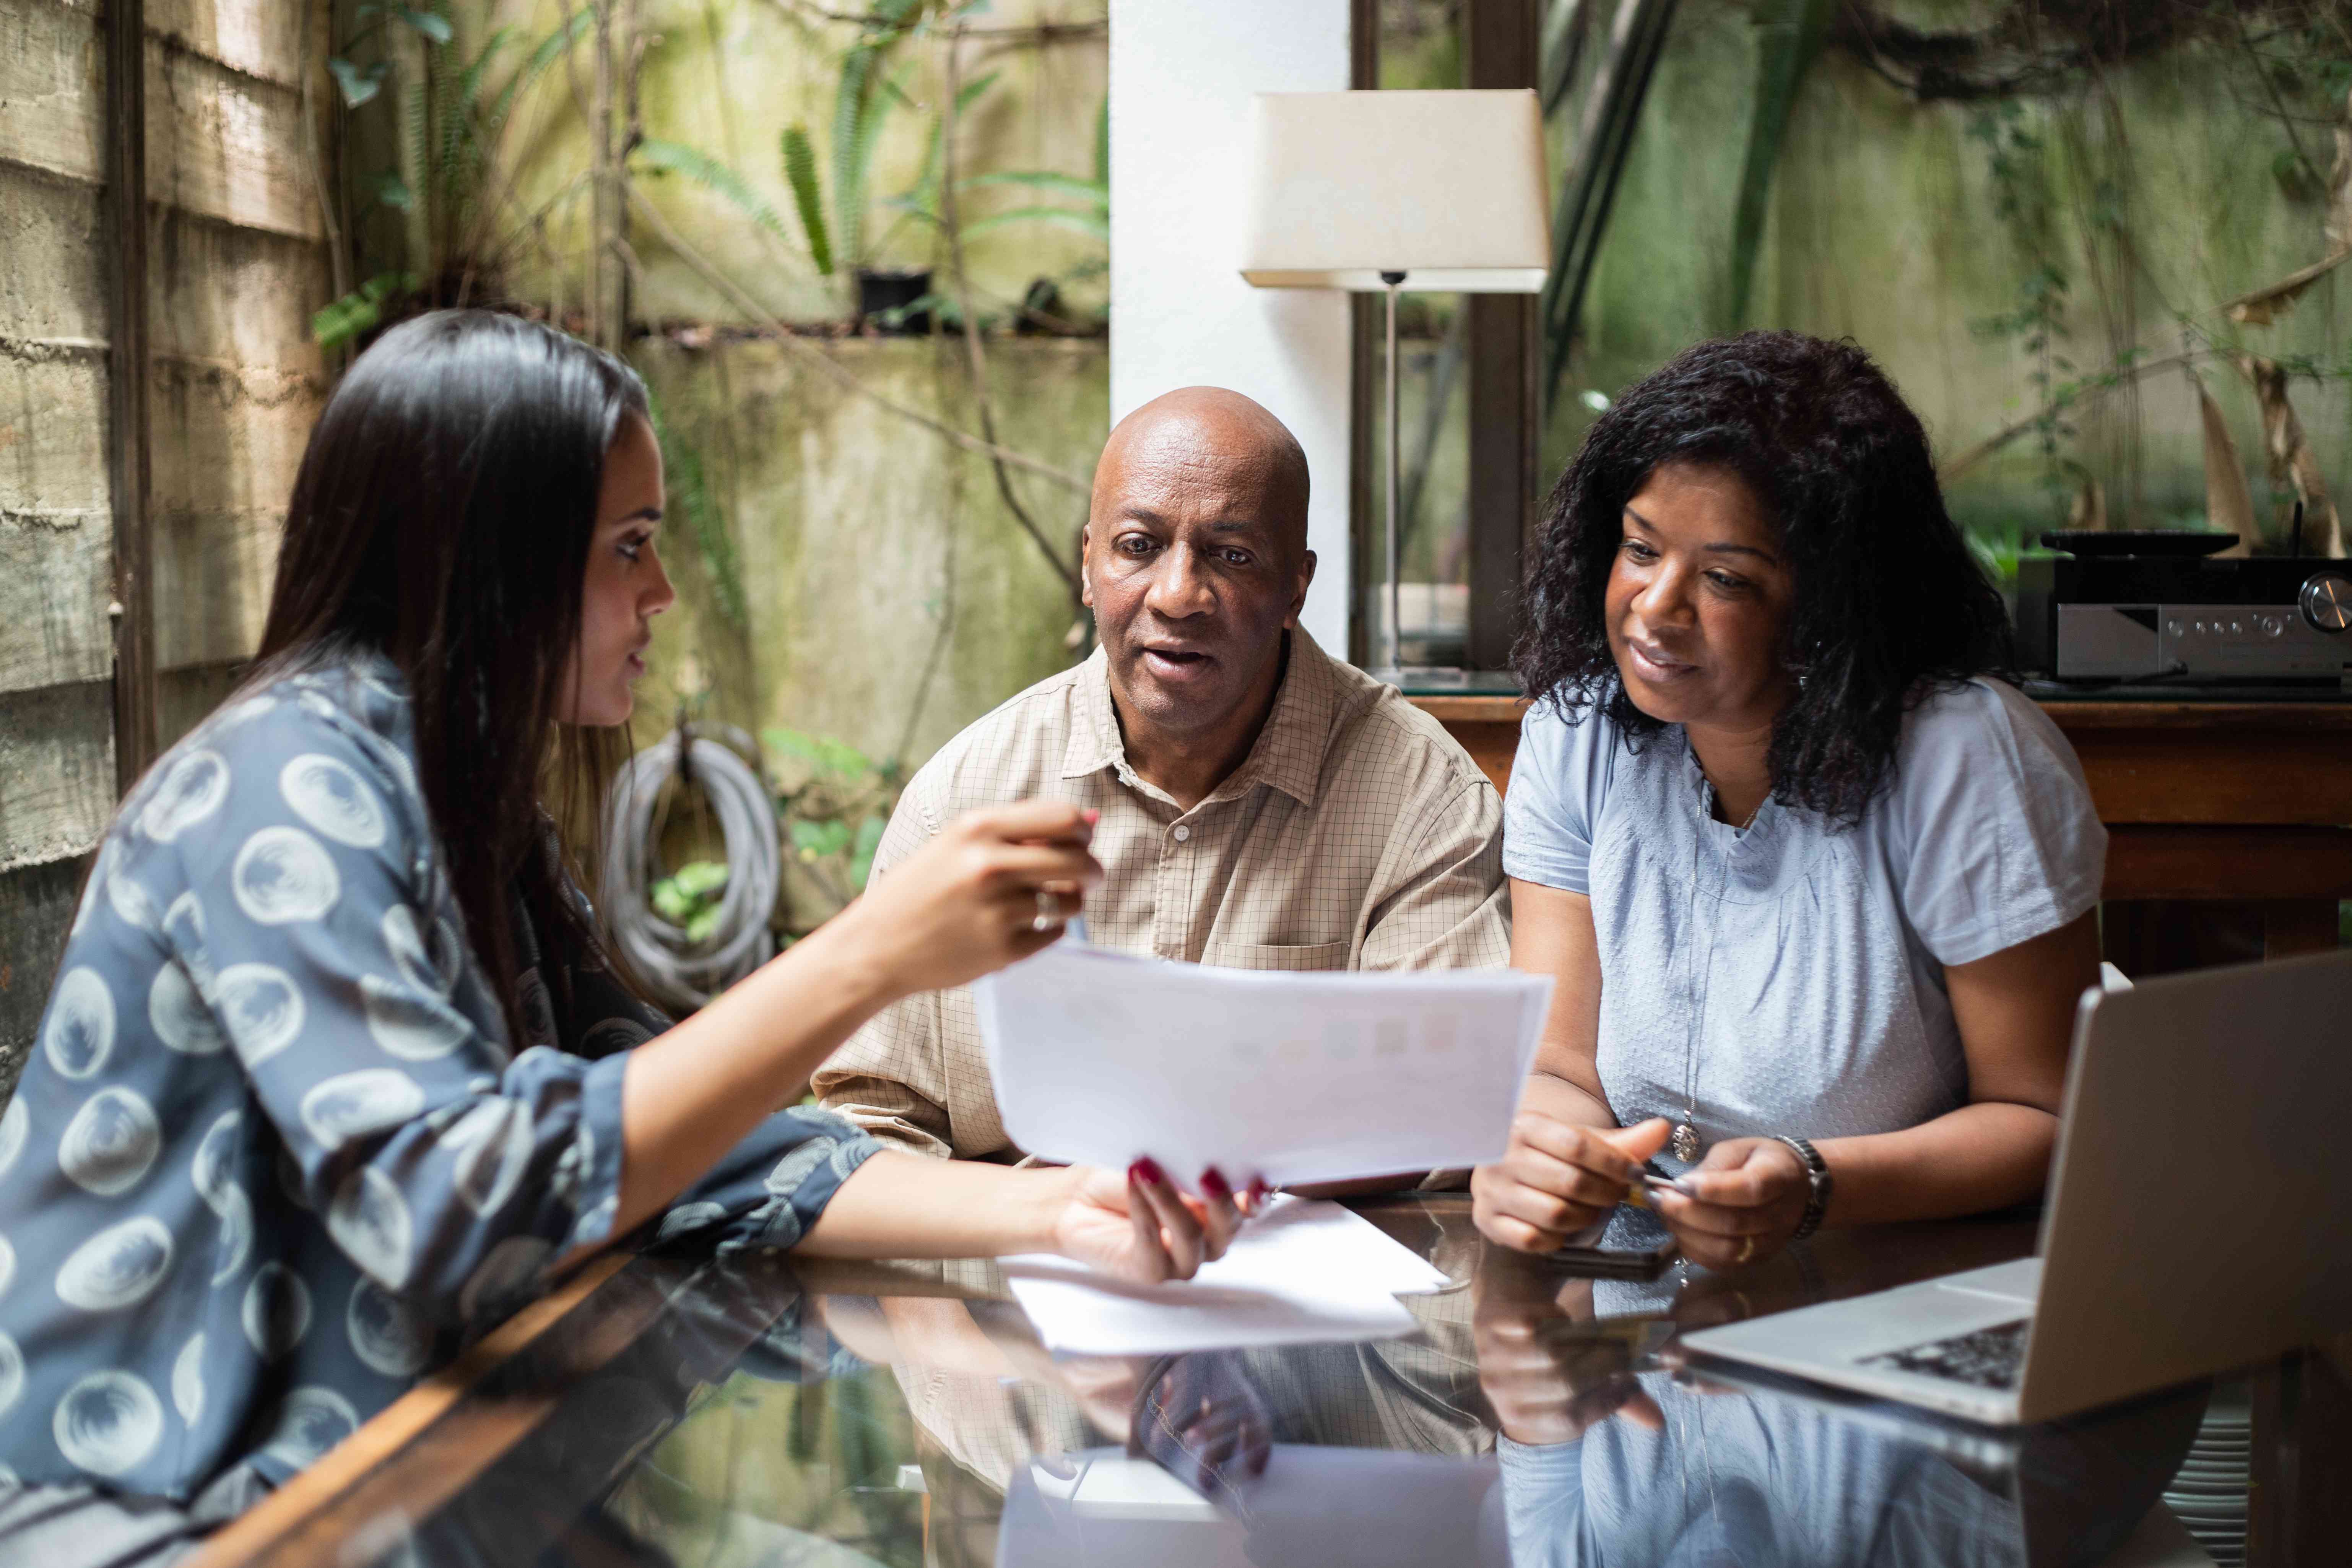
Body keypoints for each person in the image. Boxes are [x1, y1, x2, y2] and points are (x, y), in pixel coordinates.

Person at [0, 310, 1245, 1557]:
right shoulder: (279, 787)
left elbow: (683, 1146)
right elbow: (460, 1196)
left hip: (416, 1471)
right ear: (498, 560)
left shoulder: (465, 799)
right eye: (630, 549)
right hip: (166, 1515)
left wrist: (1055, 1214)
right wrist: (869, 952)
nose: (661, 593)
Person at [1472, 331, 2106, 1271]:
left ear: (1833, 605)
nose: (1653, 607)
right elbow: (1558, 1067)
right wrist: (1541, 1154)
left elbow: (2046, 1116)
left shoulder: (1965, 757)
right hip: (1653, 1315)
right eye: (1641, 548)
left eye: (1725, 578)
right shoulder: (1578, 731)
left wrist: (1814, 1182)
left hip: (1909, 1288)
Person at [815, 386, 1511, 1170]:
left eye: (1233, 554)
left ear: (1296, 587)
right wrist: (947, 1292)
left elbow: (1447, 1111)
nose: (1178, 594)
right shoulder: (969, 794)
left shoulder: (1421, 795)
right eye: (1138, 545)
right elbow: (870, 1118)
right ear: (1088, 564)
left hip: (1298, 1262)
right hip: (1011, 1262)